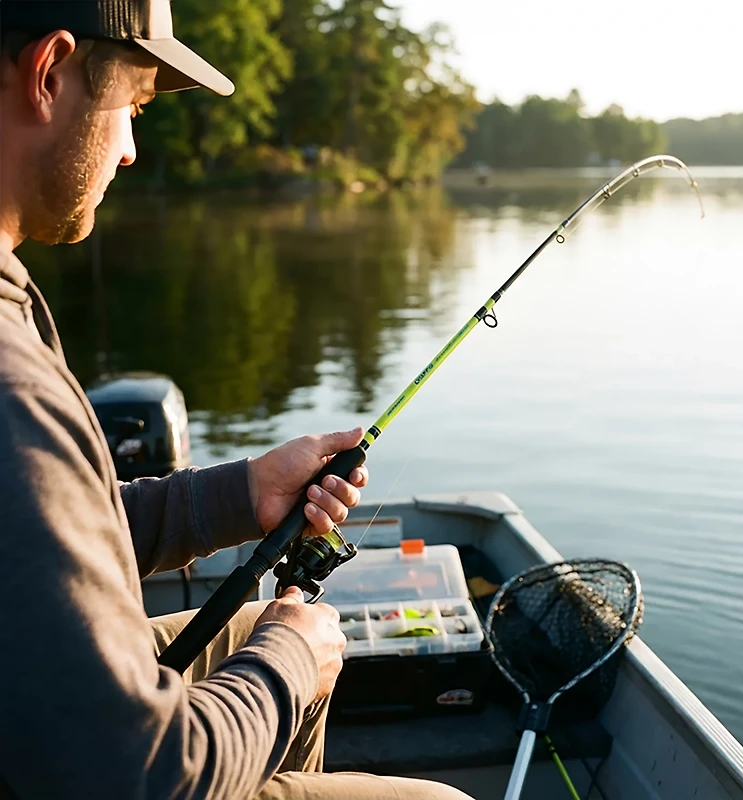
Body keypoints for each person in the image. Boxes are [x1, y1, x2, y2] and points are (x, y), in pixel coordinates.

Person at [0, 2, 472, 798]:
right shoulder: (13, 389)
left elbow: (39, 530)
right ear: (49, 74)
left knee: (261, 625)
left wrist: (238, 494)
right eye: (134, 108)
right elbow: (138, 777)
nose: (129, 150)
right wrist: (290, 660)